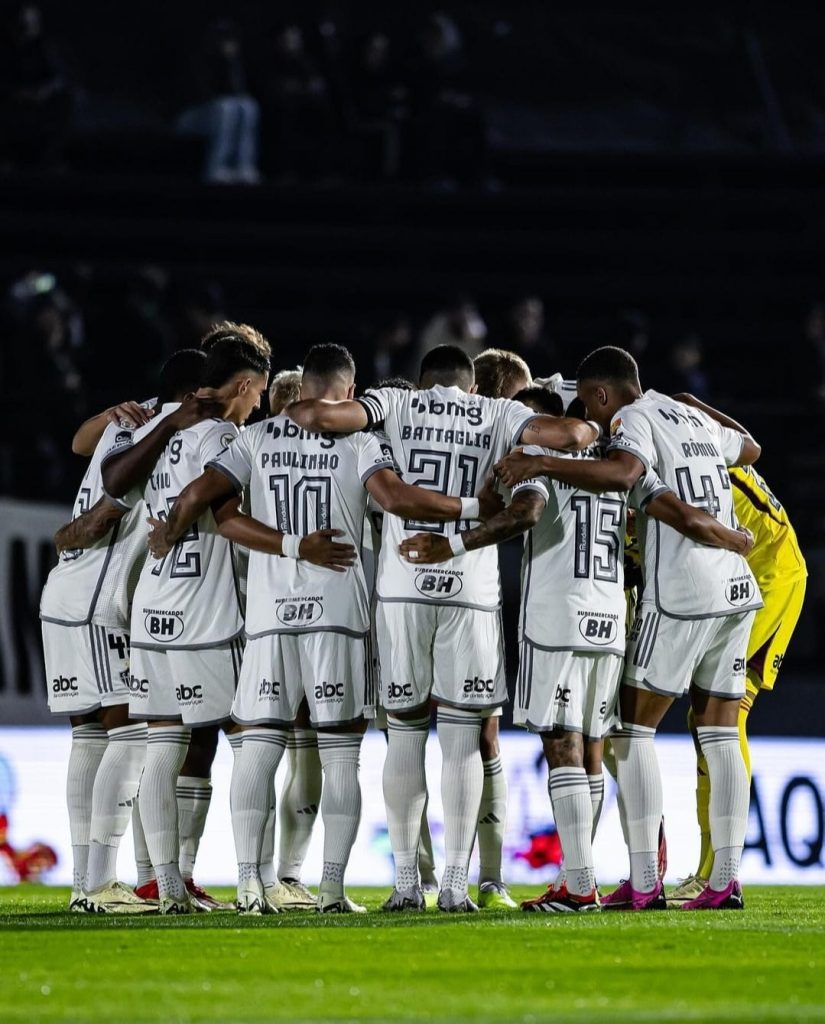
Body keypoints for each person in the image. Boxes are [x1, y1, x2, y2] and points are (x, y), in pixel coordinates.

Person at [146, 343, 502, 913]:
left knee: (258, 752)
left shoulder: (256, 438)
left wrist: (171, 530)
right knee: (340, 757)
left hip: (268, 618)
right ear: (349, 390)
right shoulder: (361, 440)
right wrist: (470, 507)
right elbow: (395, 498)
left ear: (303, 385)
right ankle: (333, 889)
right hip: (337, 615)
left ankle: (247, 886)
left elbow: (210, 504)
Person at [402, 385, 752, 913]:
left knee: (566, 744)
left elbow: (524, 514)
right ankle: (669, 876)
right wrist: (729, 537)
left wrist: (451, 543)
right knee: (596, 746)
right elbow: (666, 502)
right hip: (612, 619)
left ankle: (582, 882)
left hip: (558, 618)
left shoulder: (543, 466)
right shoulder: (619, 463)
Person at [285, 343, 601, 911]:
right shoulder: (499, 414)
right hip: (471, 594)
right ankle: (458, 884)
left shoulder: (395, 404)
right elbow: (578, 438)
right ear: (472, 385)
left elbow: (318, 417)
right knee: (463, 740)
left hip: (401, 587)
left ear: (423, 380)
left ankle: (407, 884)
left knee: (403, 734)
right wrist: (490, 492)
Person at [495, 345, 762, 911]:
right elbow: (752, 448)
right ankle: (726, 881)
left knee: (632, 733)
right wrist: (698, 405)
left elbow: (625, 473)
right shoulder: (687, 416)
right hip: (738, 590)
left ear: (600, 395)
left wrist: (540, 461)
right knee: (718, 731)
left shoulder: (631, 421)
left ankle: (644, 883)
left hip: (685, 591)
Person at [104, 336, 269, 914]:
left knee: (163, 744)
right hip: (204, 611)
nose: (258, 408)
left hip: (154, 607)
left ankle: (169, 885)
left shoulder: (170, 432)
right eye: (259, 395)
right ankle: (255, 883)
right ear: (245, 385)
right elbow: (223, 516)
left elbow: (116, 479)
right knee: (252, 736)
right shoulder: (227, 437)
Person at [39, 349, 206, 913]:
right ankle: (101, 884)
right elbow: (111, 500)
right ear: (195, 394)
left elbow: (79, 443)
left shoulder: (126, 424)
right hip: (98, 598)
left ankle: (86, 883)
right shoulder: (161, 433)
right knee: (130, 735)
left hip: (67, 593)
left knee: (89, 737)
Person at [666, 398, 807, 904]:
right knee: (705, 716)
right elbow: (749, 445)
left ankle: (720, 872)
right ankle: (710, 867)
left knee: (725, 717)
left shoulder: (683, 454)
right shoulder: (711, 445)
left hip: (773, 577)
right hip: (749, 574)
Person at [176, 20, 261, 184]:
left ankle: (244, 165)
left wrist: (231, 66)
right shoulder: (201, 62)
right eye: (225, 41)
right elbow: (201, 95)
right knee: (226, 106)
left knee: (249, 106)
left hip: (220, 112)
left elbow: (241, 92)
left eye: (232, 41)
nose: (230, 46)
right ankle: (215, 166)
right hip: (190, 118)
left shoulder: (236, 64)